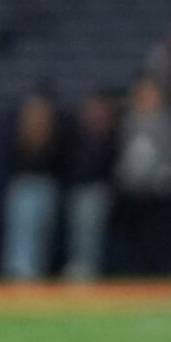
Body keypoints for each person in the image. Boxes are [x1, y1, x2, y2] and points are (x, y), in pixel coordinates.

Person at [111, 77, 171, 275]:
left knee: (157, 233)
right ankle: (133, 270)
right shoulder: (129, 119)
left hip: (157, 188)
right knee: (131, 234)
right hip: (132, 188)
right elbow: (120, 150)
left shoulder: (168, 121)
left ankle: (158, 271)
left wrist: (168, 175)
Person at [0, 94, 63, 281]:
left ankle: (36, 273)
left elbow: (58, 164)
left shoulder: (54, 136)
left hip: (45, 186)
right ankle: (19, 272)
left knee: (42, 233)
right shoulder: (16, 135)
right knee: (21, 229)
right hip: (22, 187)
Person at [62, 91, 118, 282]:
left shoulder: (112, 135)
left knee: (89, 209)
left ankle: (85, 266)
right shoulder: (75, 134)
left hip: (99, 190)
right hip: (74, 188)